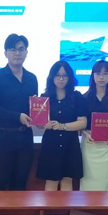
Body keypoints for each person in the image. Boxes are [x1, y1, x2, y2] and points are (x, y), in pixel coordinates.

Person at [0, 34, 39, 190]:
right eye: (13, 49)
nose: (17, 53)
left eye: (21, 49)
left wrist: (38, 110)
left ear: (26, 52)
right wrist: (17, 116)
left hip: (25, 138)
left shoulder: (32, 78)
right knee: (0, 182)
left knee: (21, 183)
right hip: (3, 137)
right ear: (5, 53)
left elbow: (33, 106)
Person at [36, 61, 87, 190]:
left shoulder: (77, 97)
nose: (61, 79)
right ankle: (50, 205)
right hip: (50, 144)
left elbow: (83, 122)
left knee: (67, 180)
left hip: (70, 144)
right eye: (58, 75)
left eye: (65, 76)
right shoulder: (44, 97)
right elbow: (39, 124)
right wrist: (44, 124)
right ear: (52, 77)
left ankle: (65, 206)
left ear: (70, 78)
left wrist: (62, 126)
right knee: (51, 181)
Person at [80, 61, 108, 191]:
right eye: (98, 73)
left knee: (107, 182)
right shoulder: (84, 98)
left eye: (105, 74)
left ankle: (106, 204)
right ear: (93, 76)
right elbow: (81, 124)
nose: (101, 77)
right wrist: (86, 133)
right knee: (88, 180)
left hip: (107, 145)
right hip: (89, 144)